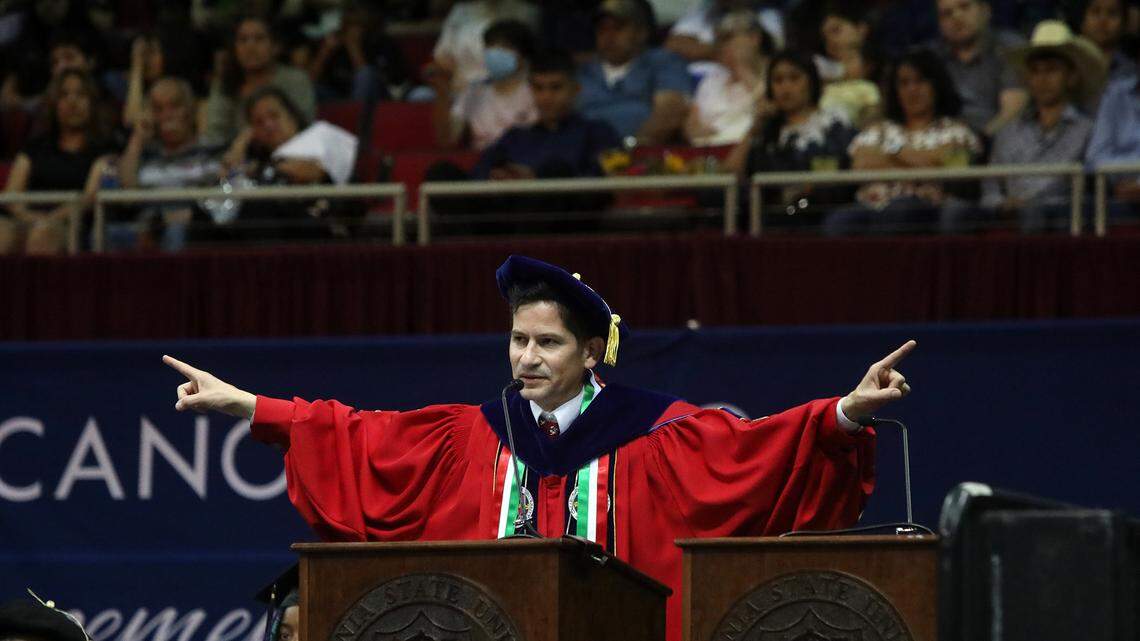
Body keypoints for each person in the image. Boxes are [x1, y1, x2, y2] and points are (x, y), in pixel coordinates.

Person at [164, 254, 915, 641]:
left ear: (593, 352)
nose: (526, 356)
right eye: (518, 338)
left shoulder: (657, 434)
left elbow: (756, 452)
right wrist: (244, 404)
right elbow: (355, 434)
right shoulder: (471, 435)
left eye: (547, 341)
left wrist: (846, 411)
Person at [824, 49, 982, 236]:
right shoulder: (878, 129)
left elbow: (951, 171)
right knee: (839, 221)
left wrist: (891, 152)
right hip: (871, 207)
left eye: (920, 81)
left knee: (899, 210)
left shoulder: (956, 131)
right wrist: (922, 161)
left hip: (928, 208)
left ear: (936, 85)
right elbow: (860, 165)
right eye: (904, 83)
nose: (912, 90)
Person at [982, 21, 1104, 233]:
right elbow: (990, 188)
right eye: (1036, 72)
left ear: (1071, 76)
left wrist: (1031, 205)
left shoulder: (1089, 131)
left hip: (1062, 221)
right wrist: (1001, 204)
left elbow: (1090, 192)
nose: (1042, 79)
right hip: (1010, 218)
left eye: (1052, 70)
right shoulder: (1008, 132)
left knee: (1034, 212)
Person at [725, 52, 857, 227]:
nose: (785, 88)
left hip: (820, 216)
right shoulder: (765, 132)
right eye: (778, 80)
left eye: (794, 78)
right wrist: (753, 130)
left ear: (811, 82)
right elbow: (730, 174)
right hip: (769, 219)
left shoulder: (835, 127)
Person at [216, 85, 358, 243]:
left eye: (274, 116)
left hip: (320, 222)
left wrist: (260, 170)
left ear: (292, 115)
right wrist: (240, 143)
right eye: (259, 123)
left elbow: (307, 171)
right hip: (276, 225)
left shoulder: (318, 134)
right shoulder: (261, 161)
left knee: (257, 207)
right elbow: (224, 183)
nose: (268, 125)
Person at [1, 68, 112, 255]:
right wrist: (33, 218)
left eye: (81, 94)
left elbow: (88, 199)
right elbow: (12, 197)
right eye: (64, 95)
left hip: (71, 225)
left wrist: (49, 220)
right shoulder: (34, 147)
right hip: (27, 220)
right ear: (54, 104)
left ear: (92, 103)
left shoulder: (104, 149)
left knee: (43, 236)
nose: (72, 102)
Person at [115, 77, 225, 251]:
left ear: (190, 109)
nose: (167, 115)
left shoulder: (212, 150)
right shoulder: (144, 153)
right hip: (147, 228)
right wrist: (138, 138)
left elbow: (219, 199)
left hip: (194, 231)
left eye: (175, 106)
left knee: (175, 230)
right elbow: (126, 189)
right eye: (158, 109)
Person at [576, 0, 692, 144]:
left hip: (642, 154)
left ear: (641, 32)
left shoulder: (664, 61)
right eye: (602, 29)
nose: (609, 36)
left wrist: (631, 147)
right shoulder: (582, 71)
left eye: (618, 28)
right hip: (584, 157)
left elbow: (669, 112)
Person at [203, 15, 316, 147]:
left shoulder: (296, 80)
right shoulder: (224, 84)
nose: (250, 46)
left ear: (276, 47)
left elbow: (303, 127)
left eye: (259, 39)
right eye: (243, 40)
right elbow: (215, 133)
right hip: (235, 157)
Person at [430, 19, 538, 151]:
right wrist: (442, 93)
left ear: (524, 55)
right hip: (482, 162)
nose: (495, 53)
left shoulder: (537, 90)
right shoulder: (474, 91)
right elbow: (448, 139)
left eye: (504, 47)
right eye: (491, 46)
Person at [928, 0, 1027, 136]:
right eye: (947, 13)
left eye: (965, 7)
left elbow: (1013, 112)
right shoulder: (931, 57)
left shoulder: (1010, 48)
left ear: (986, 11)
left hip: (997, 142)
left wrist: (977, 142)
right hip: (942, 144)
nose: (956, 17)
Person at [684, 10, 773, 146]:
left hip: (754, 149)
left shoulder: (779, 70)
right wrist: (697, 132)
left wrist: (743, 71)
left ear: (754, 38)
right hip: (712, 151)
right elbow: (691, 126)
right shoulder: (711, 79)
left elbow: (770, 110)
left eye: (728, 38)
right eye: (718, 41)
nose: (721, 47)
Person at [426, 0, 538, 94]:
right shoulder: (460, 11)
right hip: (464, 93)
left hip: (513, 92)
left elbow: (532, 59)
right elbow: (442, 59)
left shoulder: (527, 11)